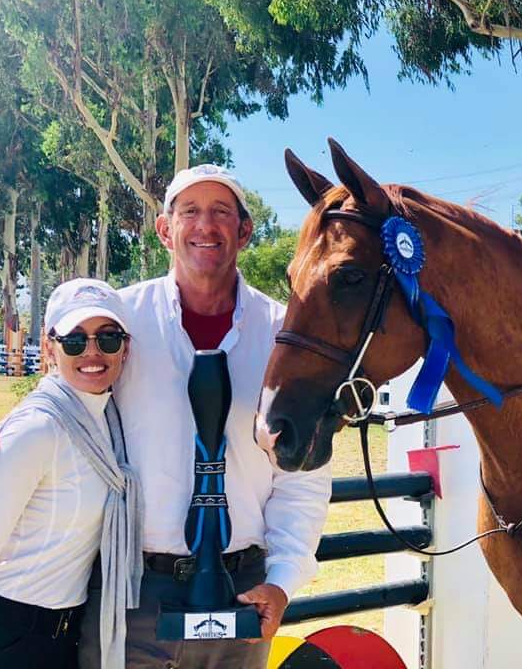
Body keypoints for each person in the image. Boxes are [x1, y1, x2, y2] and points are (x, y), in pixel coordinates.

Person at [73, 165, 332, 669]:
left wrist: (280, 582)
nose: (205, 226)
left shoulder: (287, 337)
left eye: (221, 213)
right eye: (189, 212)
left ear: (245, 230)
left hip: (244, 596)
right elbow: (65, 414)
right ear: (165, 229)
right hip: (134, 594)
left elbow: (302, 478)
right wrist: (0, 444)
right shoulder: (118, 325)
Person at [0, 279, 142, 669]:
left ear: (126, 347)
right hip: (10, 630)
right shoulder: (38, 428)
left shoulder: (108, 423)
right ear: (50, 347)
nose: (92, 352)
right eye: (74, 340)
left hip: (67, 632)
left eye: (107, 338)